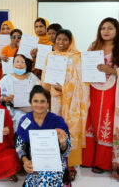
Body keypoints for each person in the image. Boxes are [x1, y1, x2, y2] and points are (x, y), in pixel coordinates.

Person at [41, 29, 90, 180]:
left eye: (65, 40)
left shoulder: (77, 57)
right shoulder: (51, 56)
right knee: (56, 127)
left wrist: (66, 89)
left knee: (71, 129)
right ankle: (56, 161)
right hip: (56, 99)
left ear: (71, 41)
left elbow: (83, 81)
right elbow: (45, 78)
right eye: (58, 39)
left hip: (73, 102)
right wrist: (50, 85)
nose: (61, 42)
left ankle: (71, 165)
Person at [82, 17, 119, 178]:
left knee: (105, 122)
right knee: (90, 121)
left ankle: (102, 162)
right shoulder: (93, 46)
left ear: (117, 31)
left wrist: (112, 70)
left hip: (111, 90)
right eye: (103, 28)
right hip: (92, 88)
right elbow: (84, 64)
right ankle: (87, 159)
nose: (106, 31)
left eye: (110, 28)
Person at [16, 85, 71, 186]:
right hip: (35, 163)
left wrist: (63, 144)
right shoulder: (25, 121)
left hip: (56, 164)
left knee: (46, 180)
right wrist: (25, 161)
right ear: (30, 103)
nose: (39, 105)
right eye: (35, 101)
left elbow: (67, 152)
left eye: (42, 101)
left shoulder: (58, 121)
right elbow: (20, 146)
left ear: (48, 103)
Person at [0, 54, 40, 132]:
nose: (19, 64)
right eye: (17, 61)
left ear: (26, 64)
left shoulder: (32, 77)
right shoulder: (7, 79)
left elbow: (41, 92)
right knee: (20, 119)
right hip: (13, 110)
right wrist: (5, 98)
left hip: (33, 109)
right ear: (13, 64)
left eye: (22, 62)